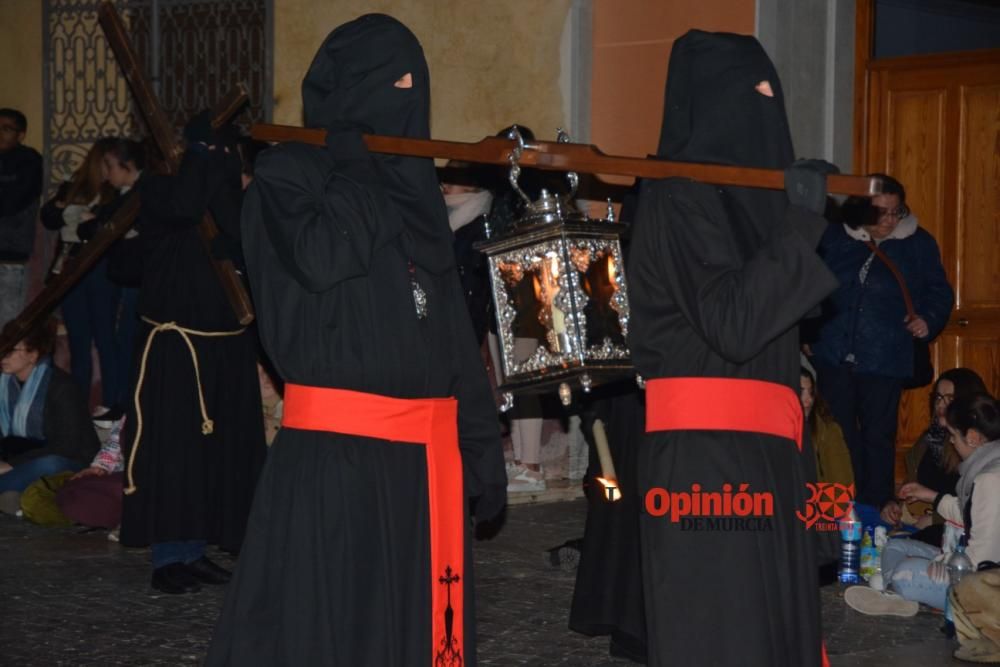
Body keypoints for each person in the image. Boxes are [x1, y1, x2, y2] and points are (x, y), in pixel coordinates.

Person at [206, 14, 506, 666]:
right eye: (388, 84)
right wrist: (358, 162)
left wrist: (481, 445)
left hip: (424, 468)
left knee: (417, 637)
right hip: (335, 465)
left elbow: (449, 327)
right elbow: (319, 257)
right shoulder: (288, 177)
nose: (404, 99)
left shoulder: (413, 189)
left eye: (413, 84)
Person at [627, 30, 840, 666]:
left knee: (776, 635)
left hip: (770, 456)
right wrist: (802, 227)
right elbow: (733, 323)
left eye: (773, 90)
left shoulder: (746, 205)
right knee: (723, 635)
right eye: (753, 93)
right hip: (705, 465)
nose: (767, 105)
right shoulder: (675, 198)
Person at [117, 124, 267, 595]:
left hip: (225, 344)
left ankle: (198, 549)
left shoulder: (224, 193)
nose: (221, 160)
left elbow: (243, 230)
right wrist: (202, 159)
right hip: (176, 347)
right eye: (210, 152)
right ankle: (170, 556)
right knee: (176, 453)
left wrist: (238, 239)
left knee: (216, 456)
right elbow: (182, 208)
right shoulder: (158, 189)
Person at [810, 174, 954, 508]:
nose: (889, 220)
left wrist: (927, 320)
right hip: (832, 353)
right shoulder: (834, 237)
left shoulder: (918, 243)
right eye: (881, 213)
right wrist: (809, 335)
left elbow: (939, 291)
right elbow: (811, 285)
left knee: (878, 436)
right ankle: (839, 508)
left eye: (896, 211)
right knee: (836, 434)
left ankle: (876, 508)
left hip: (886, 355)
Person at [844, 393, 1000, 616]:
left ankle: (900, 592)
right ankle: (901, 597)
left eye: (954, 434)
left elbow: (980, 561)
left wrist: (940, 561)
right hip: (969, 568)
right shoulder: (983, 470)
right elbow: (968, 513)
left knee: (908, 571)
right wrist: (931, 496)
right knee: (896, 546)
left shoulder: (990, 479)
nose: (952, 441)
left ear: (973, 437)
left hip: (983, 587)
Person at [40, 138, 123, 418]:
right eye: (107, 163)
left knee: (104, 337)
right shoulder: (76, 186)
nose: (110, 169)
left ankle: (110, 405)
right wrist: (65, 199)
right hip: (73, 266)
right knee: (78, 339)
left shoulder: (118, 193)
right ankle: (76, 408)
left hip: (101, 267)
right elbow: (49, 217)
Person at [874, 367, 987, 539]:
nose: (941, 404)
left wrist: (934, 519)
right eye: (938, 397)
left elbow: (977, 508)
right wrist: (894, 505)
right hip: (916, 521)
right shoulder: (929, 439)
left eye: (950, 399)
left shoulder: (974, 445)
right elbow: (911, 487)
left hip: (954, 531)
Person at [0, 318, 100, 506]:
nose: (3, 355)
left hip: (69, 461)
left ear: (33, 354)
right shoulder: (3, 384)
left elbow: (66, 447)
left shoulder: (61, 386)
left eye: (11, 349)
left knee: (49, 464)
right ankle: (13, 494)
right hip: (19, 462)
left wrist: (12, 465)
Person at [0, 108, 43, 328]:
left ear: (21, 134)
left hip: (10, 253)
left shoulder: (29, 161)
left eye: (7, 129)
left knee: (7, 322)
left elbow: (12, 202)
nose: (0, 133)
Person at [801, 367, 854, 488]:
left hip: (821, 503)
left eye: (811, 392)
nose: (808, 400)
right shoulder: (772, 435)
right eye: (800, 392)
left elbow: (842, 483)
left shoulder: (828, 431)